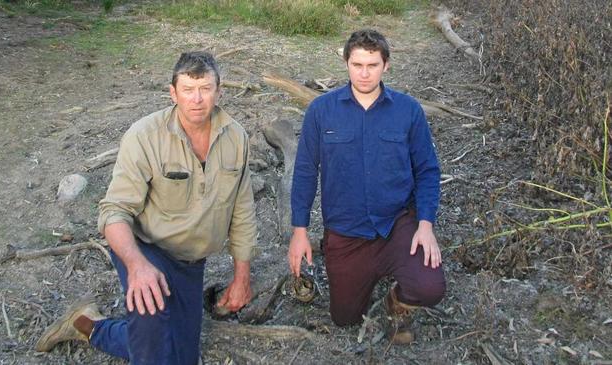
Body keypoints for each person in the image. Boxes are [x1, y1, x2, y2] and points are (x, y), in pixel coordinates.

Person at [35, 51, 257, 364]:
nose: (197, 99)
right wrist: (137, 266)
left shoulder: (236, 137)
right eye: (188, 90)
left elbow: (242, 208)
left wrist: (241, 275)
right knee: (154, 343)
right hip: (146, 249)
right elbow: (114, 212)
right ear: (173, 93)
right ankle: (141, 329)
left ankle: (87, 325)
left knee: (180, 356)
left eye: (205, 89)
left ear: (219, 92)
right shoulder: (144, 136)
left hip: (192, 261)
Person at [288, 29, 446, 343]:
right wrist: (299, 231)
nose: (364, 73)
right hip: (346, 231)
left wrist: (425, 225)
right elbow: (305, 171)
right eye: (357, 64)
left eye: (372, 65)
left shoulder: (408, 111)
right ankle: (364, 278)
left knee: (430, 287)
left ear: (385, 65)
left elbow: (428, 170)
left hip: (396, 225)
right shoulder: (321, 111)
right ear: (346, 62)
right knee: (344, 318)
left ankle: (395, 303)